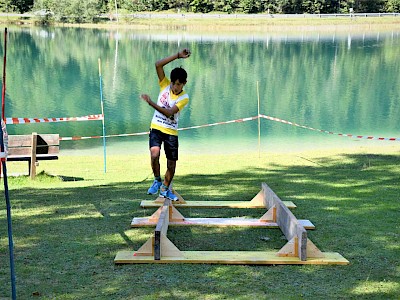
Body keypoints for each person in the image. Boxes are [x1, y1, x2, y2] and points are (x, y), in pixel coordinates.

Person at [140, 48, 191, 201]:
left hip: (171, 132)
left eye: (181, 85)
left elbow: (169, 112)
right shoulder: (164, 85)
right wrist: (177, 56)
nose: (177, 88)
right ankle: (157, 180)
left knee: (171, 165)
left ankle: (165, 188)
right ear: (171, 82)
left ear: (184, 84)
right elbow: (158, 65)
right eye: (176, 84)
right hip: (156, 127)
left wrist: (151, 103)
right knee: (154, 154)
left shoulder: (184, 97)